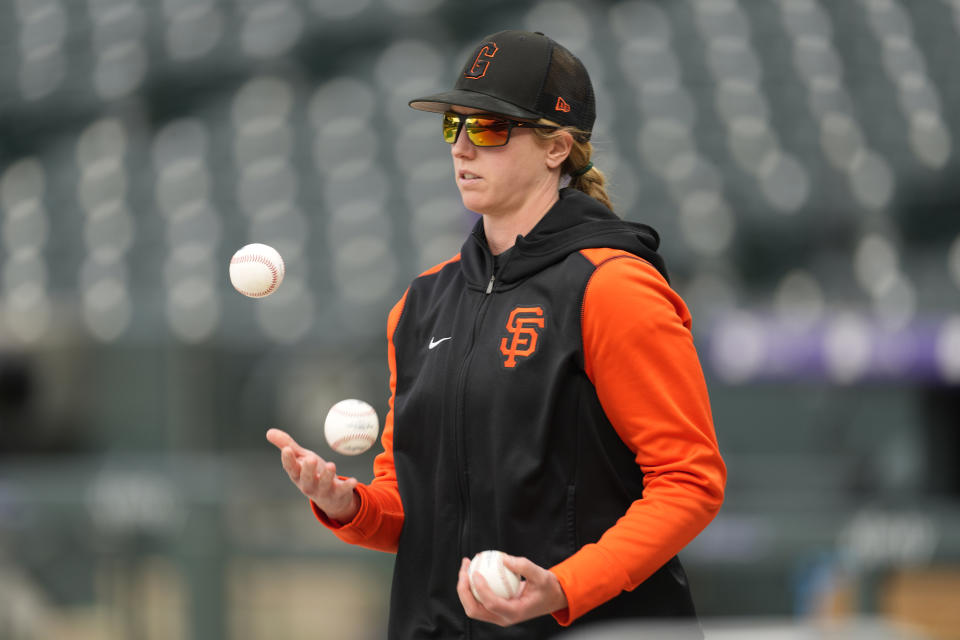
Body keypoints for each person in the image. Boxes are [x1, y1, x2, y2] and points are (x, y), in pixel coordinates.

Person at [267, 30, 726, 639]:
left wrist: (564, 586)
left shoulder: (612, 286)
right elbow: (413, 506)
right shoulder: (421, 304)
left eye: (488, 128)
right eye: (453, 126)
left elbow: (689, 481)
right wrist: (346, 504)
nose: (462, 147)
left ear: (557, 147)